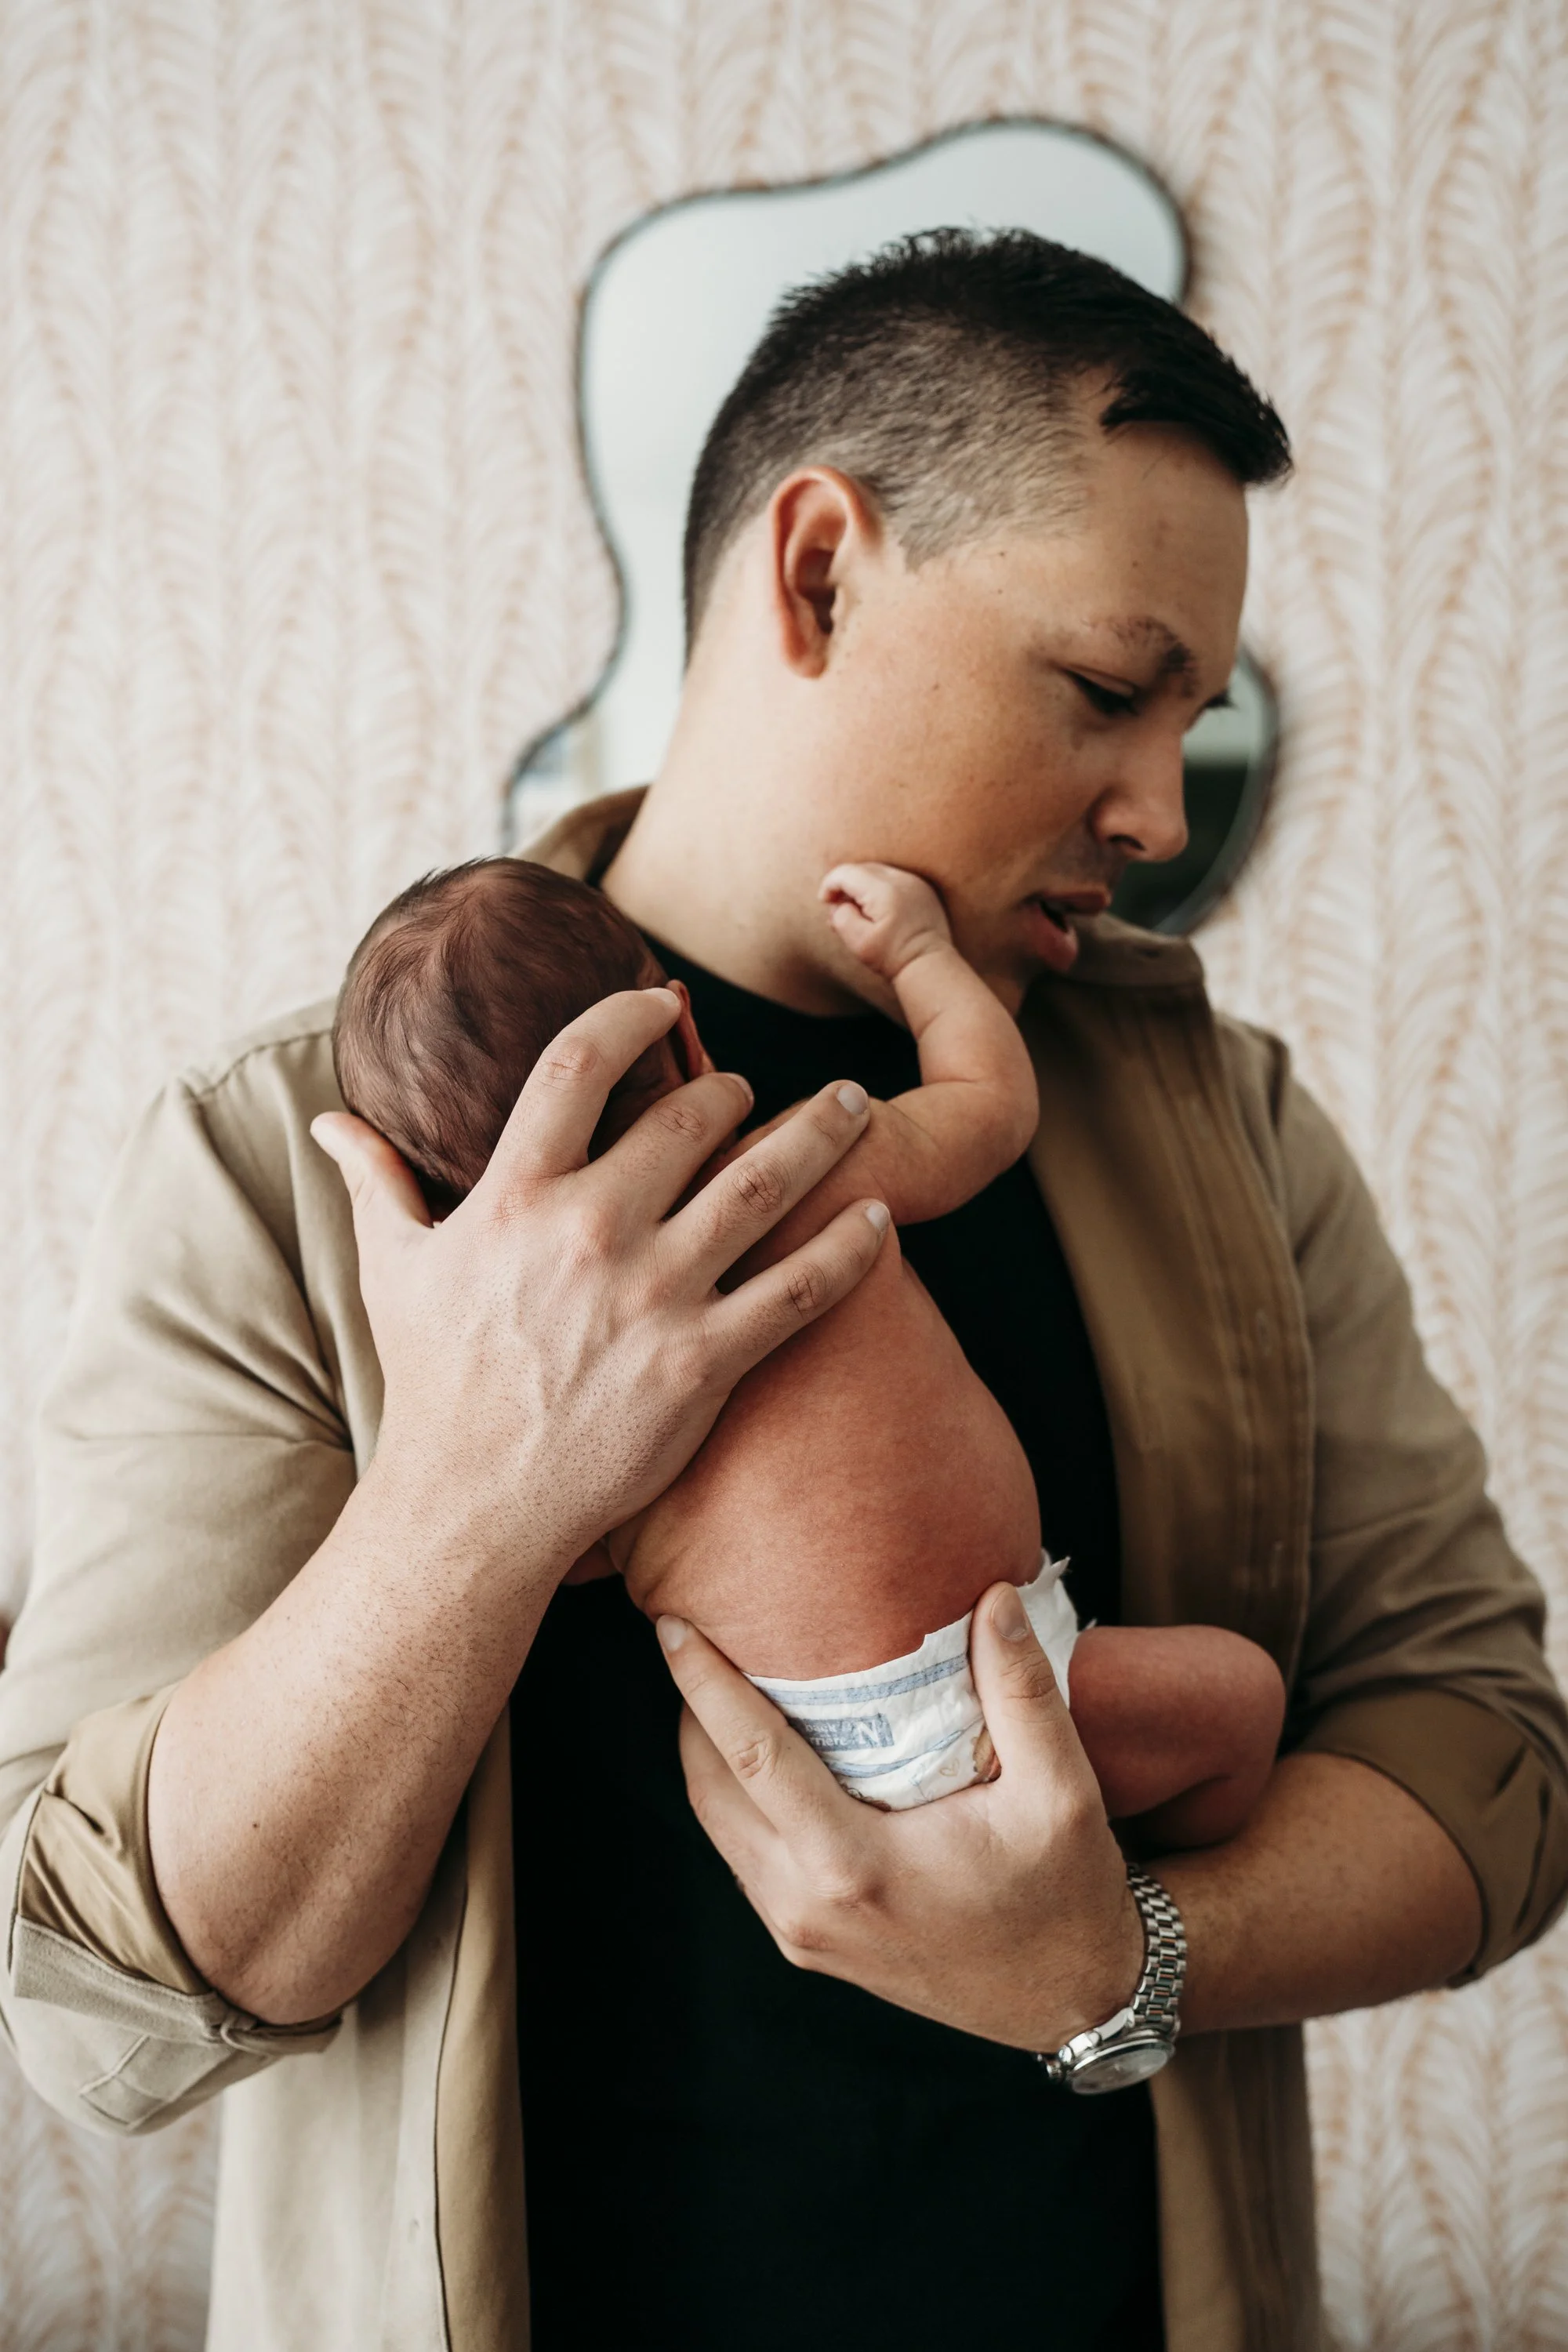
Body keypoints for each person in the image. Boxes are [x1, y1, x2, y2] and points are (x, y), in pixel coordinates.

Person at [1, 229, 1564, 2352]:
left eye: (1198, 720)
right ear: (818, 572)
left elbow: (1491, 1760)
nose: (1151, 808)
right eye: (1109, 691)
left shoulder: (1232, 1132)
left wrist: (1121, 1961)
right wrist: (480, 1486)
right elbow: (104, 2009)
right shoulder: (290, 1170)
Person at [332, 848, 1287, 1834]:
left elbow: (569, 1560)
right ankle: (1122, 1900)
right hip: (1000, 1690)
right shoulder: (792, 1171)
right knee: (1245, 1703)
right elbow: (988, 1105)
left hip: (800, 1754)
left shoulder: (542, 1364)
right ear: (685, 1029)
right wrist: (918, 953)